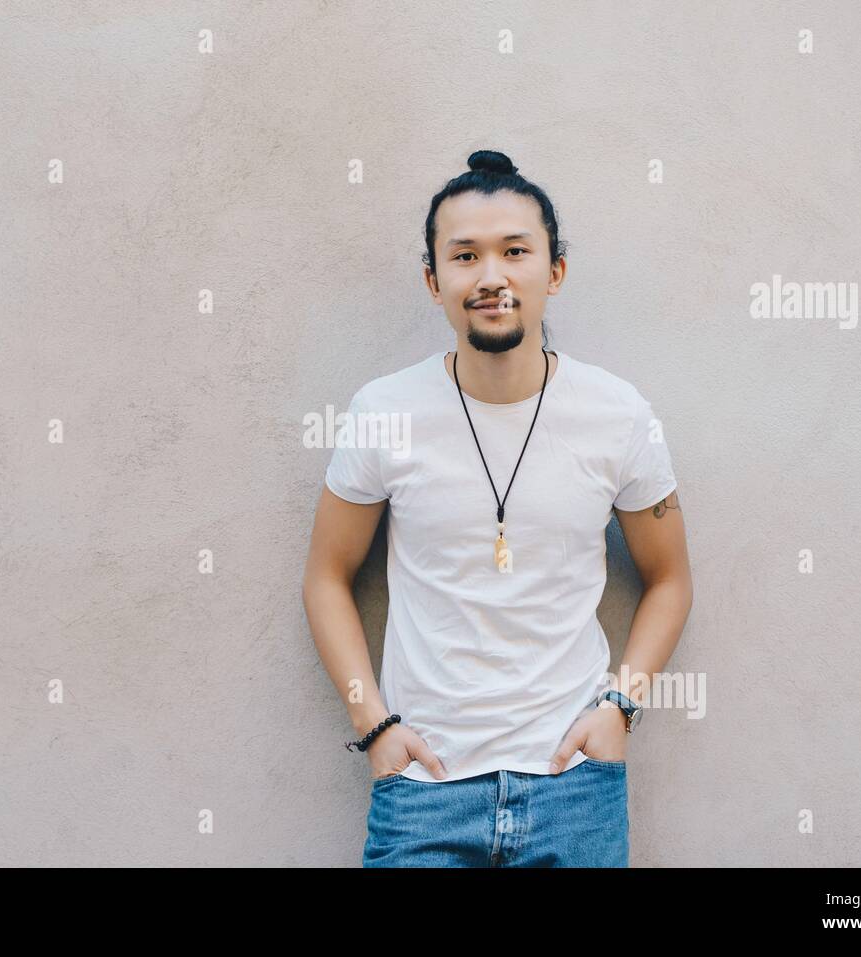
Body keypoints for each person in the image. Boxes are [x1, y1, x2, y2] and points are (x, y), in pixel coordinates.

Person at [301, 150, 693, 867]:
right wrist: (374, 725)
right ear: (433, 280)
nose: (491, 276)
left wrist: (620, 710)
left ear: (555, 271)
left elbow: (669, 579)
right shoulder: (384, 411)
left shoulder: (618, 414)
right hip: (424, 786)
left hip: (575, 785)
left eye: (516, 251)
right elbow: (327, 575)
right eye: (465, 256)